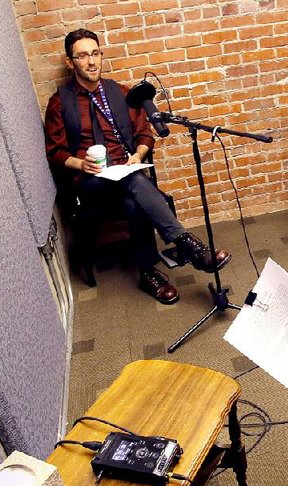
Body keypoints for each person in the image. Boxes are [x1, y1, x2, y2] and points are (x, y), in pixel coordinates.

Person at [44, 28, 231, 304]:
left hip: (125, 174)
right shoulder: (60, 102)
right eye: (82, 56)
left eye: (95, 53)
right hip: (90, 184)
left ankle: (148, 273)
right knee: (135, 183)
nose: (91, 62)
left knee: (133, 197)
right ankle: (189, 245)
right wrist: (81, 164)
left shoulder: (120, 93)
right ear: (70, 62)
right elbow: (55, 151)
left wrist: (138, 156)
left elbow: (145, 134)